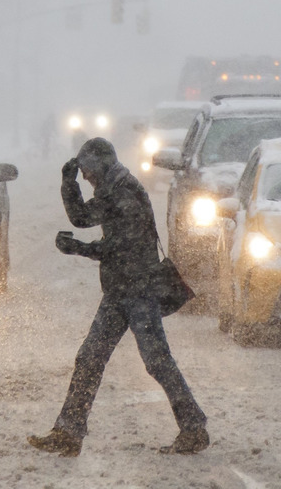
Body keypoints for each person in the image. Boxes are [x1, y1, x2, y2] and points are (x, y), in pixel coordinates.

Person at [27, 137, 209, 457]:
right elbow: (81, 218)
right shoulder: (112, 189)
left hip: (138, 291)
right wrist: (67, 182)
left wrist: (78, 248)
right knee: (90, 358)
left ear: (99, 166)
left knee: (156, 361)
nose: (85, 177)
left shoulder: (126, 193)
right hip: (119, 292)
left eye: (85, 171)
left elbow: (119, 248)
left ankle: (193, 427)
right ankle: (68, 432)